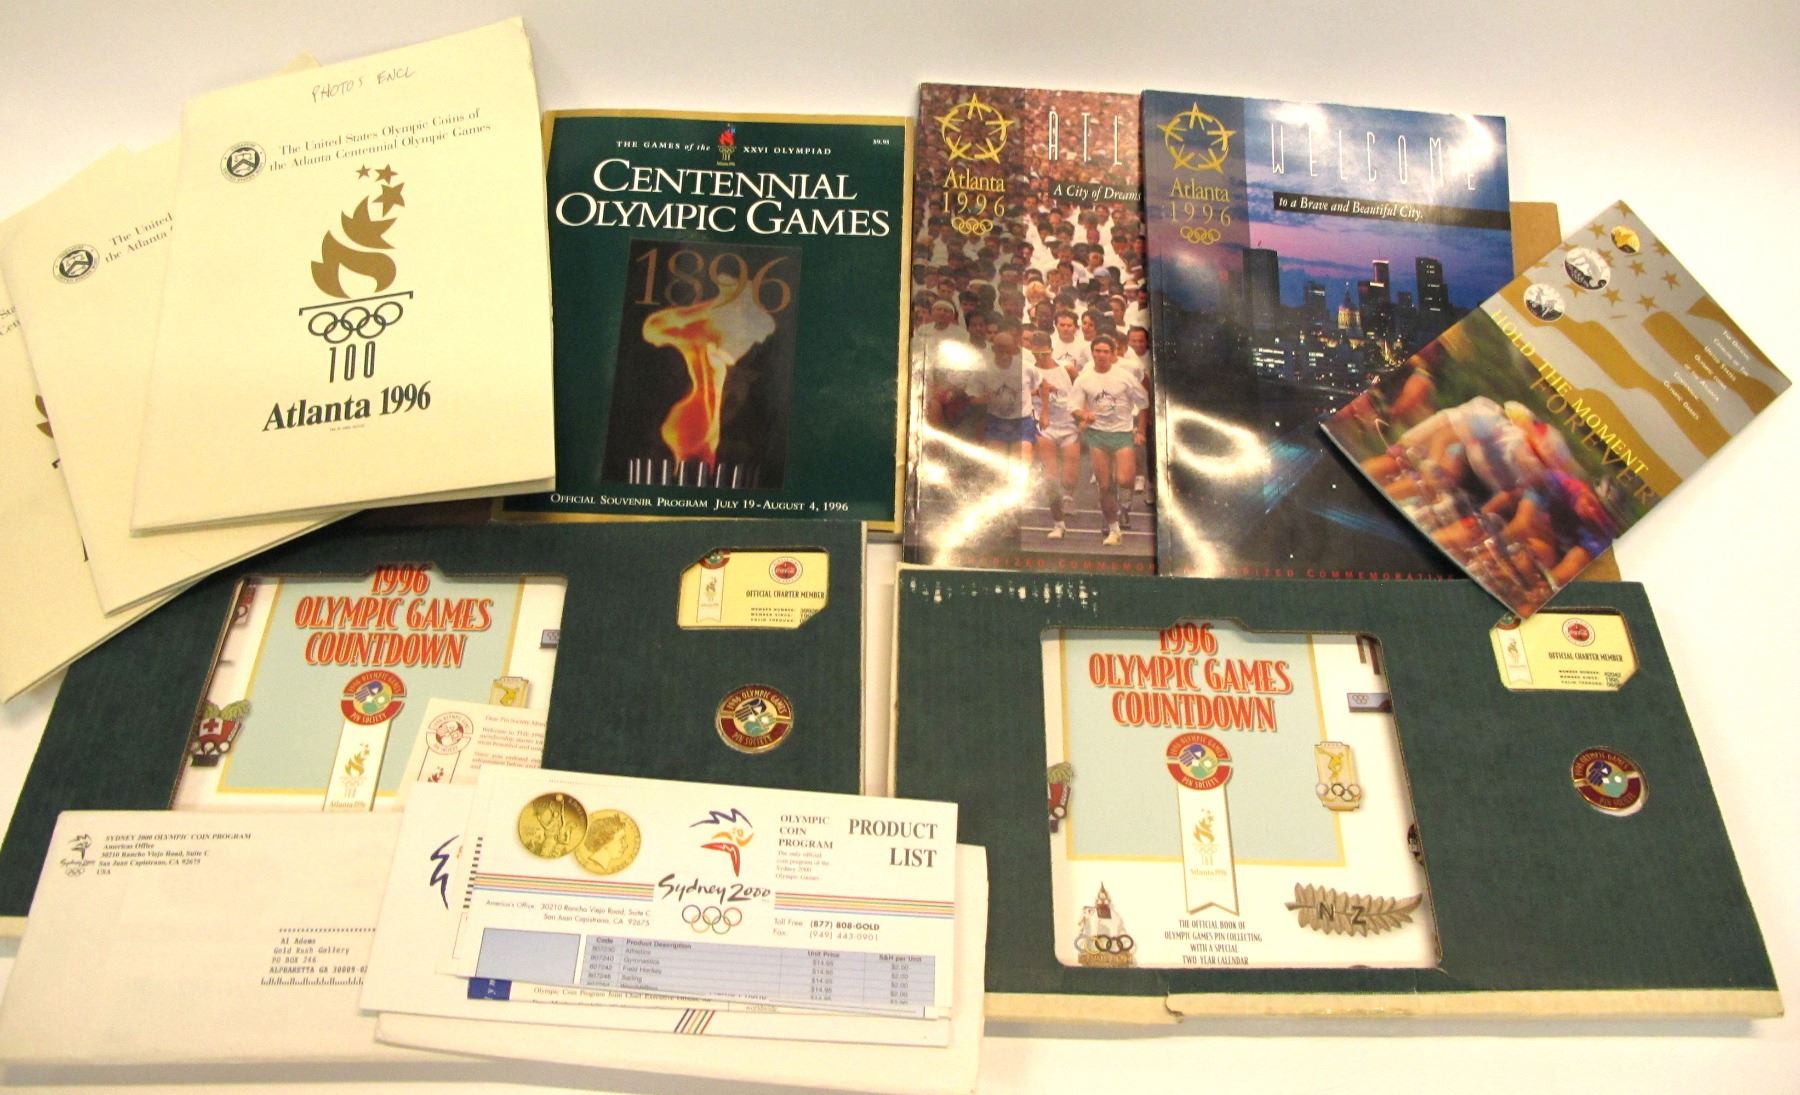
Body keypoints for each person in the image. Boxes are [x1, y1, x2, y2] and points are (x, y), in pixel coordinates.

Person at [1071, 334, 1149, 545]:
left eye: (1106, 351)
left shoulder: (1124, 377)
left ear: (1114, 354)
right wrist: (1084, 415)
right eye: (1097, 351)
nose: (1101, 355)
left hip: (1122, 433)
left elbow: (1143, 403)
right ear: (1092, 353)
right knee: (1105, 485)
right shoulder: (1084, 378)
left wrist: (1141, 431)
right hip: (1097, 434)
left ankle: (1124, 504)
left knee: (1125, 480)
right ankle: (1113, 528)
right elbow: (1073, 406)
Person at [1027, 330, 1080, 540]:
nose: (1040, 358)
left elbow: (1083, 391)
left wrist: (1083, 417)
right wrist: (1037, 392)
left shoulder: (1067, 369)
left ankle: (1069, 496)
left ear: (1051, 349)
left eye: (1044, 354)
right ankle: (1059, 523)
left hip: (1068, 426)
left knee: (1069, 480)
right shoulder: (1029, 371)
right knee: (1051, 479)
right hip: (1044, 427)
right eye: (1036, 354)